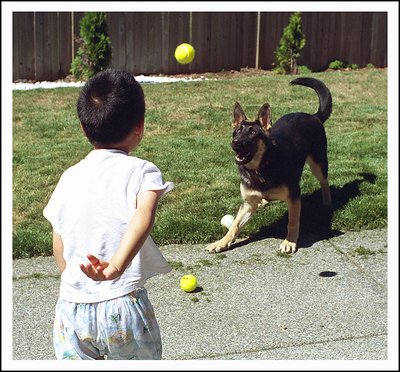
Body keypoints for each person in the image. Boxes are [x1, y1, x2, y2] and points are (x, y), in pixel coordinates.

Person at [43, 69, 174, 360]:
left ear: (82, 126)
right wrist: (116, 266)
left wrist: (73, 276)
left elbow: (59, 236)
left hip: (72, 308)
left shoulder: (69, 177)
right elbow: (144, 215)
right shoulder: (142, 171)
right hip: (122, 306)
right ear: (139, 127)